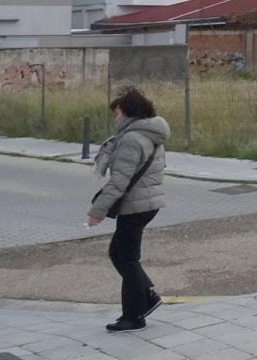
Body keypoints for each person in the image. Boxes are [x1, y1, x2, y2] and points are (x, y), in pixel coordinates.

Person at [88, 86, 170, 333]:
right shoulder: (150, 133)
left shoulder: (132, 139)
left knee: (128, 258)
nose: (115, 117)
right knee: (118, 253)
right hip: (148, 203)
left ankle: (134, 316)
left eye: (117, 112)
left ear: (127, 113)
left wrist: (97, 211)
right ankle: (147, 297)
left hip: (135, 206)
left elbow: (119, 182)